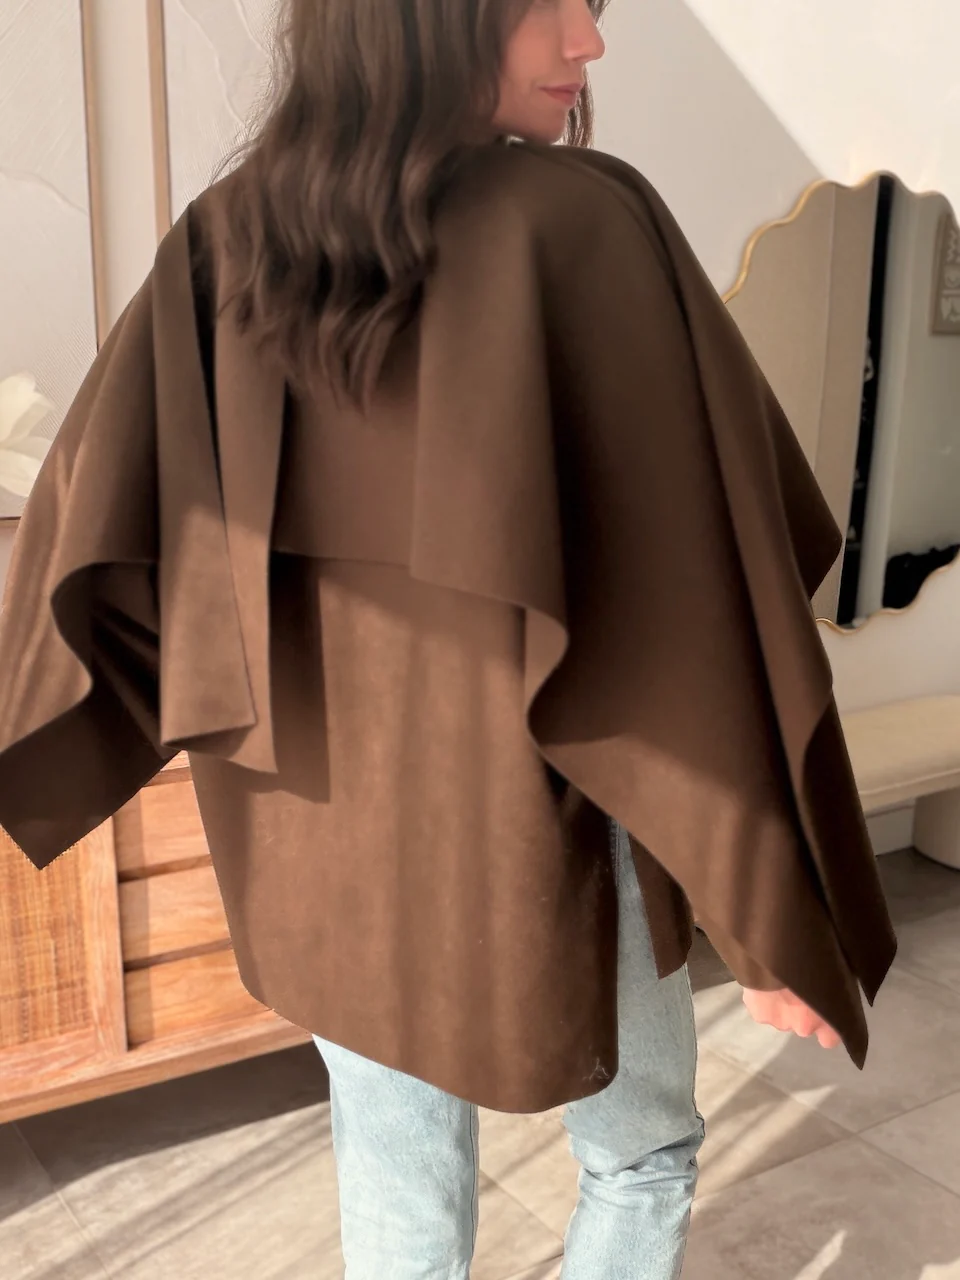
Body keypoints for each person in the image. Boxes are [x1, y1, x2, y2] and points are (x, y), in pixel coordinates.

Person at [0, 0, 896, 1277]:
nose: (589, 42)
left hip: (314, 851)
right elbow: (695, 604)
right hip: (546, 829)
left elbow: (97, 529)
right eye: (550, 3)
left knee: (398, 1185)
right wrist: (771, 914)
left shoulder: (224, 235)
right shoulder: (583, 225)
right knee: (640, 1153)